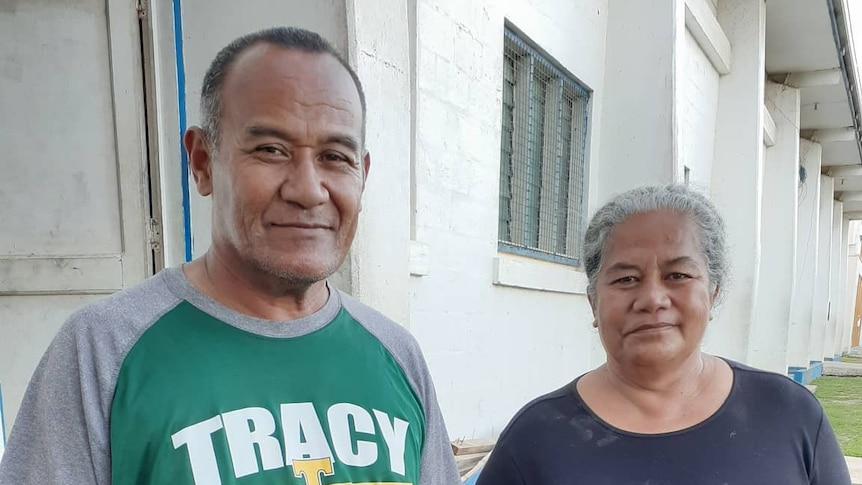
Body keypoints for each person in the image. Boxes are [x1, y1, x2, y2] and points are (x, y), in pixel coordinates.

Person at [0, 27, 459, 485]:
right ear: (202, 162)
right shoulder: (102, 351)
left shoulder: (398, 358)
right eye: (270, 150)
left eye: (335, 157)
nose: (307, 190)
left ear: (363, 174)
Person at [477, 184, 851, 485]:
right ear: (594, 302)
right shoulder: (536, 440)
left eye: (678, 275)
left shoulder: (789, 414)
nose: (653, 298)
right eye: (626, 279)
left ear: (713, 291)